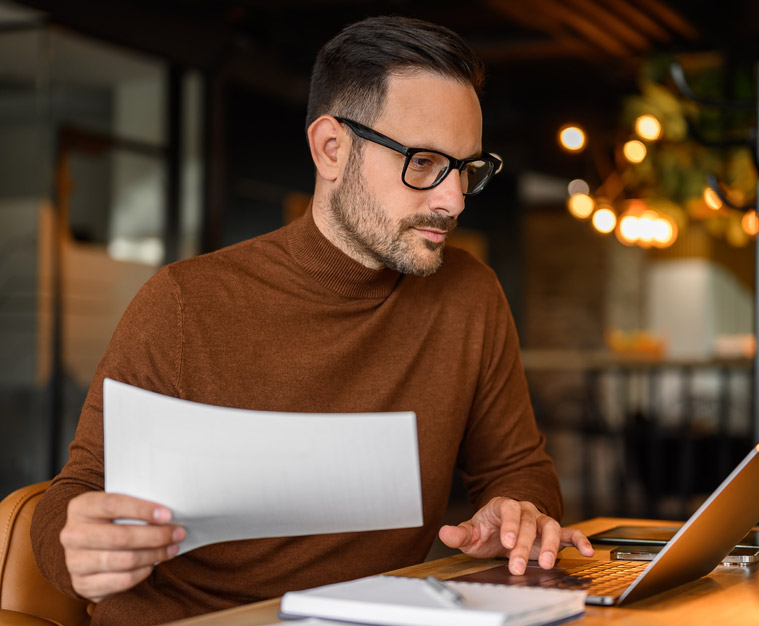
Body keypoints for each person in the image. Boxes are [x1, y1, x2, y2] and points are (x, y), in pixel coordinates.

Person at [31, 15, 593, 626]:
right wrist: (78, 547)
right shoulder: (183, 303)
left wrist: (516, 510)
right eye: (425, 162)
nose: (453, 199)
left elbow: (518, 469)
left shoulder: (469, 295)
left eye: (467, 169)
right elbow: (75, 492)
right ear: (332, 148)